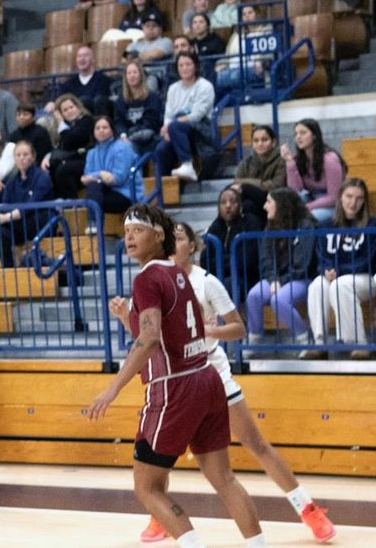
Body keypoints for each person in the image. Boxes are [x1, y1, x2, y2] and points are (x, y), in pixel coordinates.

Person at [137, 223, 336, 544]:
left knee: (255, 445)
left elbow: (238, 328)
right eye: (170, 239)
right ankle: (160, 517)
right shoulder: (157, 282)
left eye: (181, 238)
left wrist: (209, 331)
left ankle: (307, 509)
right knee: (161, 456)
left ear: (193, 245)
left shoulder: (206, 282)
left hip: (211, 375)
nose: (175, 244)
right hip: (175, 381)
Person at [90, 204, 263, 548]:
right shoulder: (180, 272)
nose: (129, 237)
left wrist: (112, 388)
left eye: (138, 230)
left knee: (147, 487)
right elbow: (167, 331)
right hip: (205, 376)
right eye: (126, 232)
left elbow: (150, 339)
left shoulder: (147, 278)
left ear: (158, 235)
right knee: (225, 479)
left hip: (174, 388)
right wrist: (130, 319)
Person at [306, 178, 376, 357]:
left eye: (359, 198)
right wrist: (326, 269)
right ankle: (320, 343)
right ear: (340, 197)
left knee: (342, 284)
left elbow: (369, 259)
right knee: (317, 285)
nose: (353, 202)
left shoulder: (375, 224)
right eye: (349, 196)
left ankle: (359, 343)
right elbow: (321, 255)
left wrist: (339, 272)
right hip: (339, 275)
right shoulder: (326, 225)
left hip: (368, 277)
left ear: (364, 201)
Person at [245, 188, 318, 348]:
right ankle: (254, 340)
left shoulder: (305, 226)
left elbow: (302, 265)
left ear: (282, 205)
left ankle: (305, 340)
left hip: (303, 278)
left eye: (269, 202)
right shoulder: (270, 227)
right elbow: (265, 261)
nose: (264, 206)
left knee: (278, 300)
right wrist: (273, 279)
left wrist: (281, 281)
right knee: (254, 296)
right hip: (278, 279)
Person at [0, 140, 53, 266]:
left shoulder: (42, 177)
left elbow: (30, 207)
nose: (22, 158)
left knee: (0, 222)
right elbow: (5, 206)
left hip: (39, 223)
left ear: (33, 156)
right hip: (18, 224)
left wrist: (4, 218)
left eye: (25, 154)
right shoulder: (12, 181)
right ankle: (8, 268)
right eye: (18, 155)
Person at [155, 52, 214, 183]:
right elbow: (168, 114)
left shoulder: (205, 86)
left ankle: (188, 164)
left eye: (188, 64)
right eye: (181, 65)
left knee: (176, 125)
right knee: (160, 149)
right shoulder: (173, 88)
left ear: (196, 66)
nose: (184, 68)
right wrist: (166, 128)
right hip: (176, 130)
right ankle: (166, 192)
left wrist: (172, 125)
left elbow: (197, 115)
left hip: (200, 128)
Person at [283, 118, 346, 223]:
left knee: (307, 219)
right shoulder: (299, 159)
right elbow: (296, 190)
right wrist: (290, 162)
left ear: (314, 135)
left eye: (303, 133)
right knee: (287, 209)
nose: (298, 137)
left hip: (333, 205)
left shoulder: (329, 159)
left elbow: (334, 197)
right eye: (296, 134)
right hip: (311, 199)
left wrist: (307, 207)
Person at [205, 185, 263, 298]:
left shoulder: (251, 223)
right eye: (223, 202)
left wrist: (220, 261)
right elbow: (206, 260)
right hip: (221, 277)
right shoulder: (215, 227)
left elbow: (246, 261)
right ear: (218, 207)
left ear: (240, 205)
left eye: (232, 202)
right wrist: (231, 259)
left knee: (223, 286)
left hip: (247, 279)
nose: (228, 206)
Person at [82, 116, 137, 214]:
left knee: (93, 198)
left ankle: (93, 224)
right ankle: (94, 225)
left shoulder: (123, 147)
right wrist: (101, 174)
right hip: (101, 192)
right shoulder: (91, 153)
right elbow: (87, 177)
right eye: (97, 128)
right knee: (94, 188)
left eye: (105, 127)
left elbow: (118, 179)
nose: (101, 131)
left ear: (112, 130)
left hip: (125, 193)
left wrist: (95, 177)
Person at [44, 94, 95, 200]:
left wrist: (61, 123)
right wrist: (47, 157)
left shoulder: (87, 120)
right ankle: (56, 202)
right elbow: (58, 147)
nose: (70, 111)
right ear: (61, 114)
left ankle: (71, 204)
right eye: (65, 110)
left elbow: (70, 141)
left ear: (78, 107)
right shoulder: (61, 128)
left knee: (64, 169)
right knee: (50, 167)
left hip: (87, 160)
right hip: (71, 160)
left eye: (71, 107)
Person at [231, 125, 286, 217]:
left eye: (264, 140)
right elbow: (236, 183)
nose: (260, 144)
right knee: (245, 203)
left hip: (274, 201)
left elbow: (277, 185)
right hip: (253, 204)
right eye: (256, 141)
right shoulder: (246, 162)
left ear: (273, 142)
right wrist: (261, 184)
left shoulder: (281, 160)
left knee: (245, 188)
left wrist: (246, 184)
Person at [111, 60, 163, 154]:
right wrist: (123, 134)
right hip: (127, 138)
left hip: (146, 135)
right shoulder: (120, 100)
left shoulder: (152, 97)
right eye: (129, 73)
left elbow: (151, 121)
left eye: (135, 72)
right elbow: (119, 121)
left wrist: (131, 133)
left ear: (141, 75)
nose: (132, 75)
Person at [59, 46, 113, 117]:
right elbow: (60, 101)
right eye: (79, 56)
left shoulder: (104, 80)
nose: (82, 59)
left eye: (86, 56)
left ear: (93, 59)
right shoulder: (69, 84)